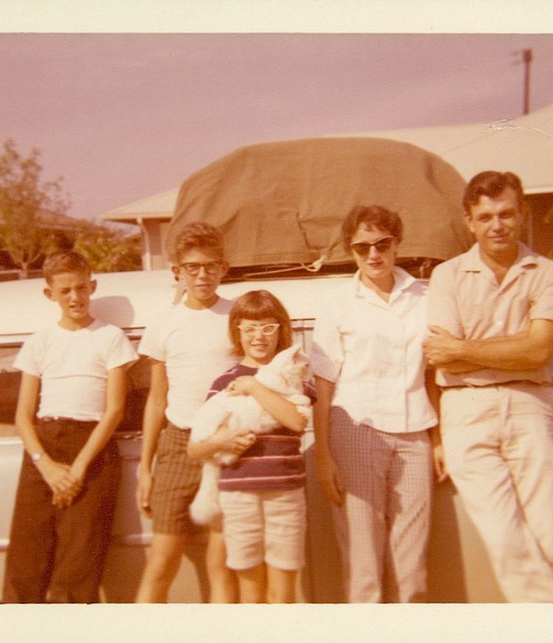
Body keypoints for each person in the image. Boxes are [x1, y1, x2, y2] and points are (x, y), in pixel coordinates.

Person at [424, 170, 553, 602]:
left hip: (532, 404)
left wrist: (464, 349)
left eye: (506, 214)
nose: (497, 225)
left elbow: (539, 352)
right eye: (485, 216)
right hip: (465, 411)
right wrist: (517, 345)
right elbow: (439, 354)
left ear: (522, 214)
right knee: (506, 541)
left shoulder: (549, 273)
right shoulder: (447, 276)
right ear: (469, 221)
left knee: (549, 541)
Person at [310, 205, 446, 603]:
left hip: (415, 435)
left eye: (381, 243)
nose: (373, 254)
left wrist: (438, 439)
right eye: (361, 247)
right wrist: (323, 456)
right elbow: (323, 381)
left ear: (396, 243)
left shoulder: (425, 296)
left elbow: (432, 373)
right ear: (351, 251)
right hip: (355, 434)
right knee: (364, 567)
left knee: (413, 569)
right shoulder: (338, 302)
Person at [2, 250, 138, 603]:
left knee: (79, 561)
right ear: (50, 294)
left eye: (81, 288)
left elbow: (115, 410)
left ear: (92, 286)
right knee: (26, 557)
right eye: (65, 291)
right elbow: (22, 416)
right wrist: (45, 465)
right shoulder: (40, 341)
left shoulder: (110, 338)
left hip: (92, 448)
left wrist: (77, 470)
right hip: (43, 446)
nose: (75, 297)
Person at [134, 222, 246, 603]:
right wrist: (145, 468)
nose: (203, 275)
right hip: (179, 444)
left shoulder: (237, 315)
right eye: (193, 268)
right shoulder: (164, 325)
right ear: (177, 272)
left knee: (223, 563)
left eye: (211, 266)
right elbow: (156, 400)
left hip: (229, 446)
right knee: (162, 562)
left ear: (224, 267)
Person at [188, 290, 313, 603]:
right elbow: (195, 450)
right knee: (250, 593)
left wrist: (254, 386)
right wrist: (220, 440)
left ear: (281, 331)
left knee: (282, 594)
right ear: (237, 332)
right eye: (250, 328)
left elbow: (297, 421)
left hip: (285, 492)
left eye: (268, 328)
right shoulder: (223, 381)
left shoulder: (292, 374)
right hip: (237, 496)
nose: (259, 337)